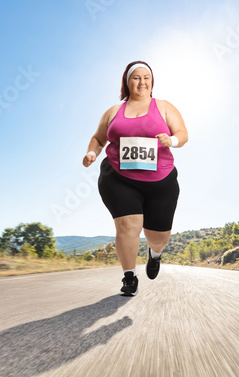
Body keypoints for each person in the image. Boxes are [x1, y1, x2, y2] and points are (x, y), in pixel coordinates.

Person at [82, 61, 188, 296]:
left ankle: (155, 254)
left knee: (158, 237)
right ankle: (129, 276)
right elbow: (98, 139)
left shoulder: (164, 107)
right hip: (118, 176)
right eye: (136, 77)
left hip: (161, 181)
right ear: (127, 82)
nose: (141, 82)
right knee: (128, 225)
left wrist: (173, 141)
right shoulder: (112, 112)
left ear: (152, 82)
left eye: (146, 77)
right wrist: (91, 153)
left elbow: (183, 133)